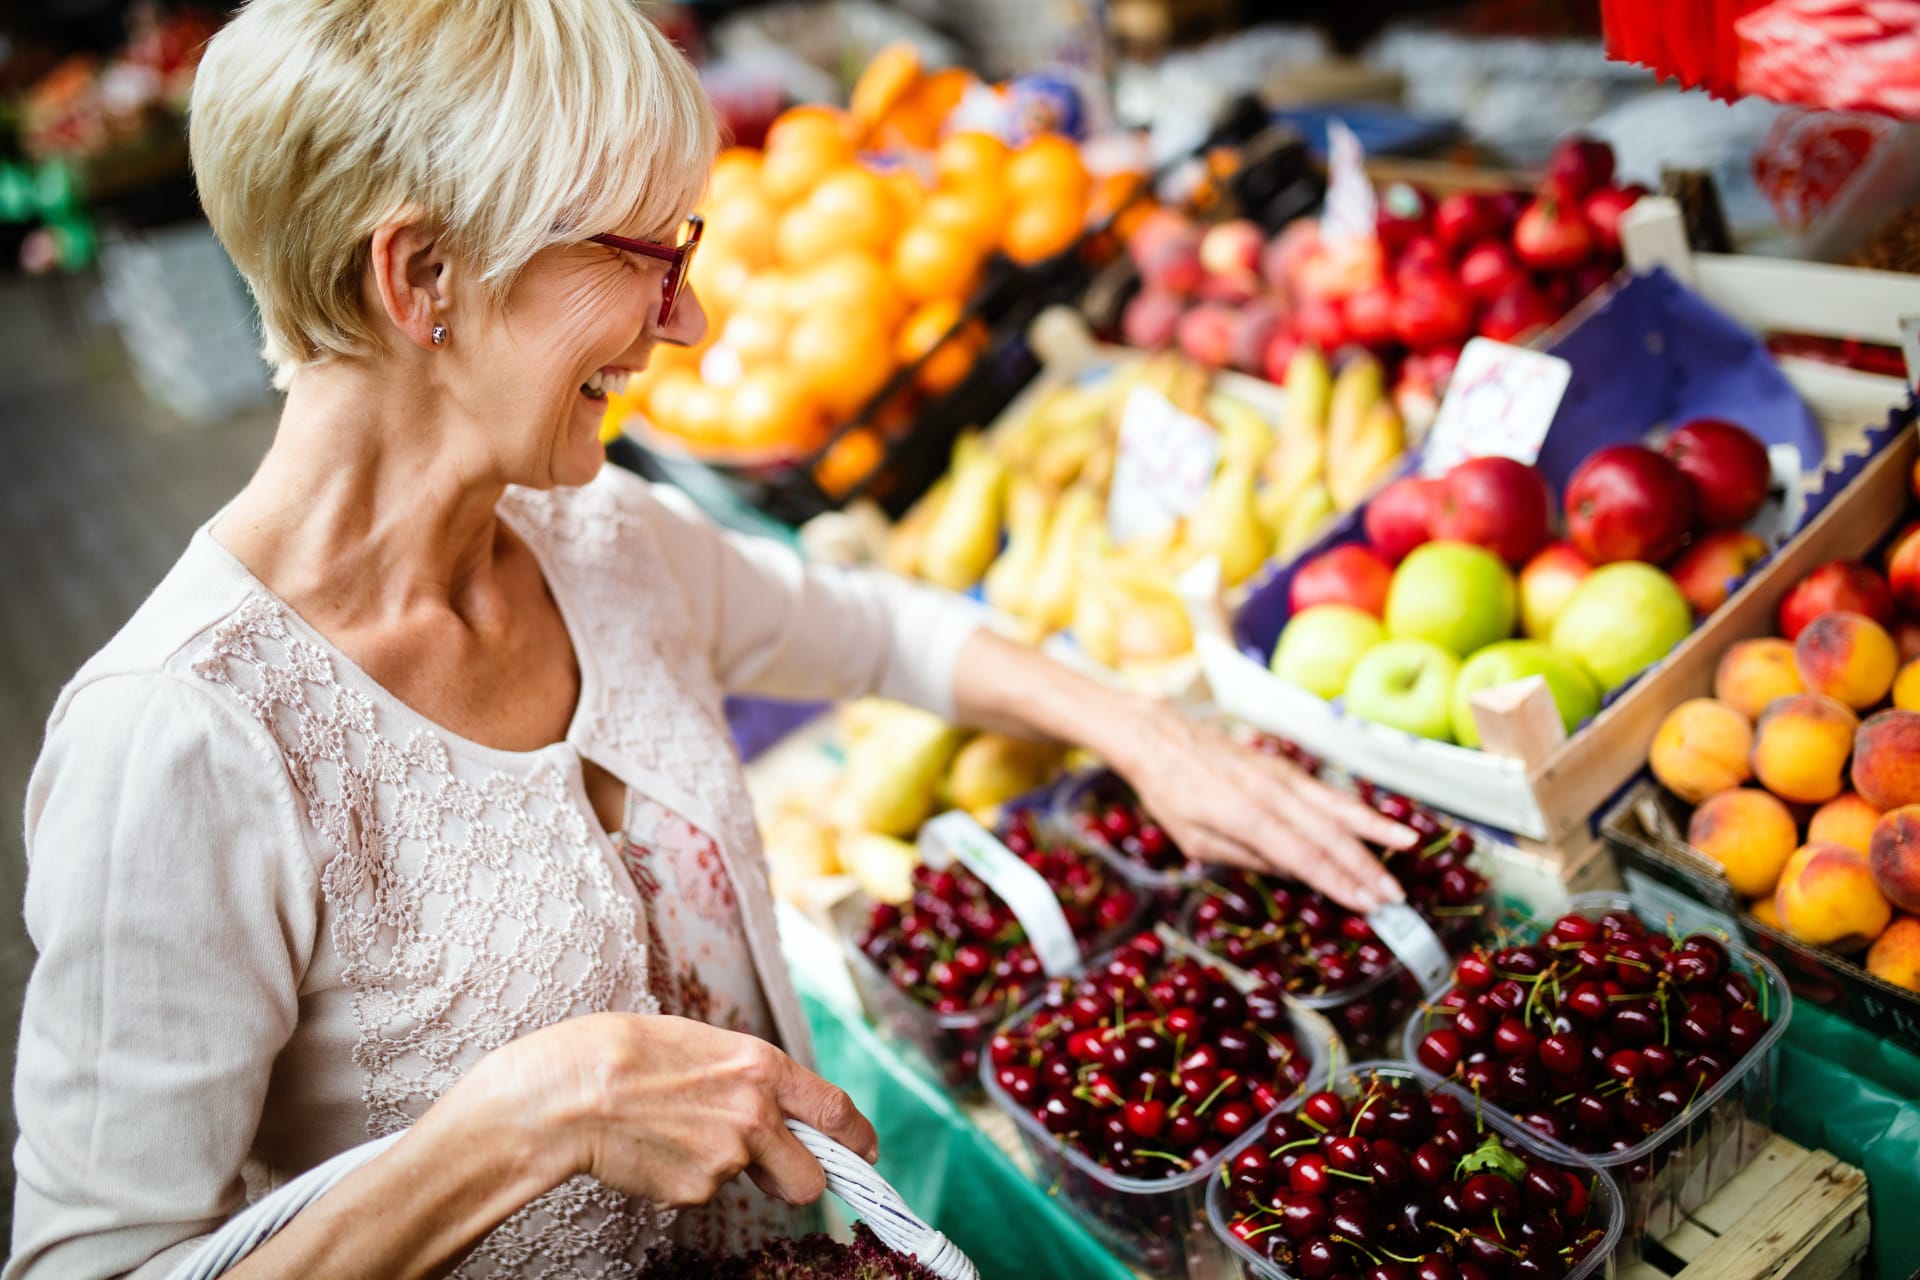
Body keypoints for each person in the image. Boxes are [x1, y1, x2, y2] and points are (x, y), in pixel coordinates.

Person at [7, 2, 1412, 1276]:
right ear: (421, 272)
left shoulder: (598, 536)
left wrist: (1149, 734)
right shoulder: (181, 737)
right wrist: (515, 1128)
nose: (693, 319)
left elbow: (880, 631)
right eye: (646, 255)